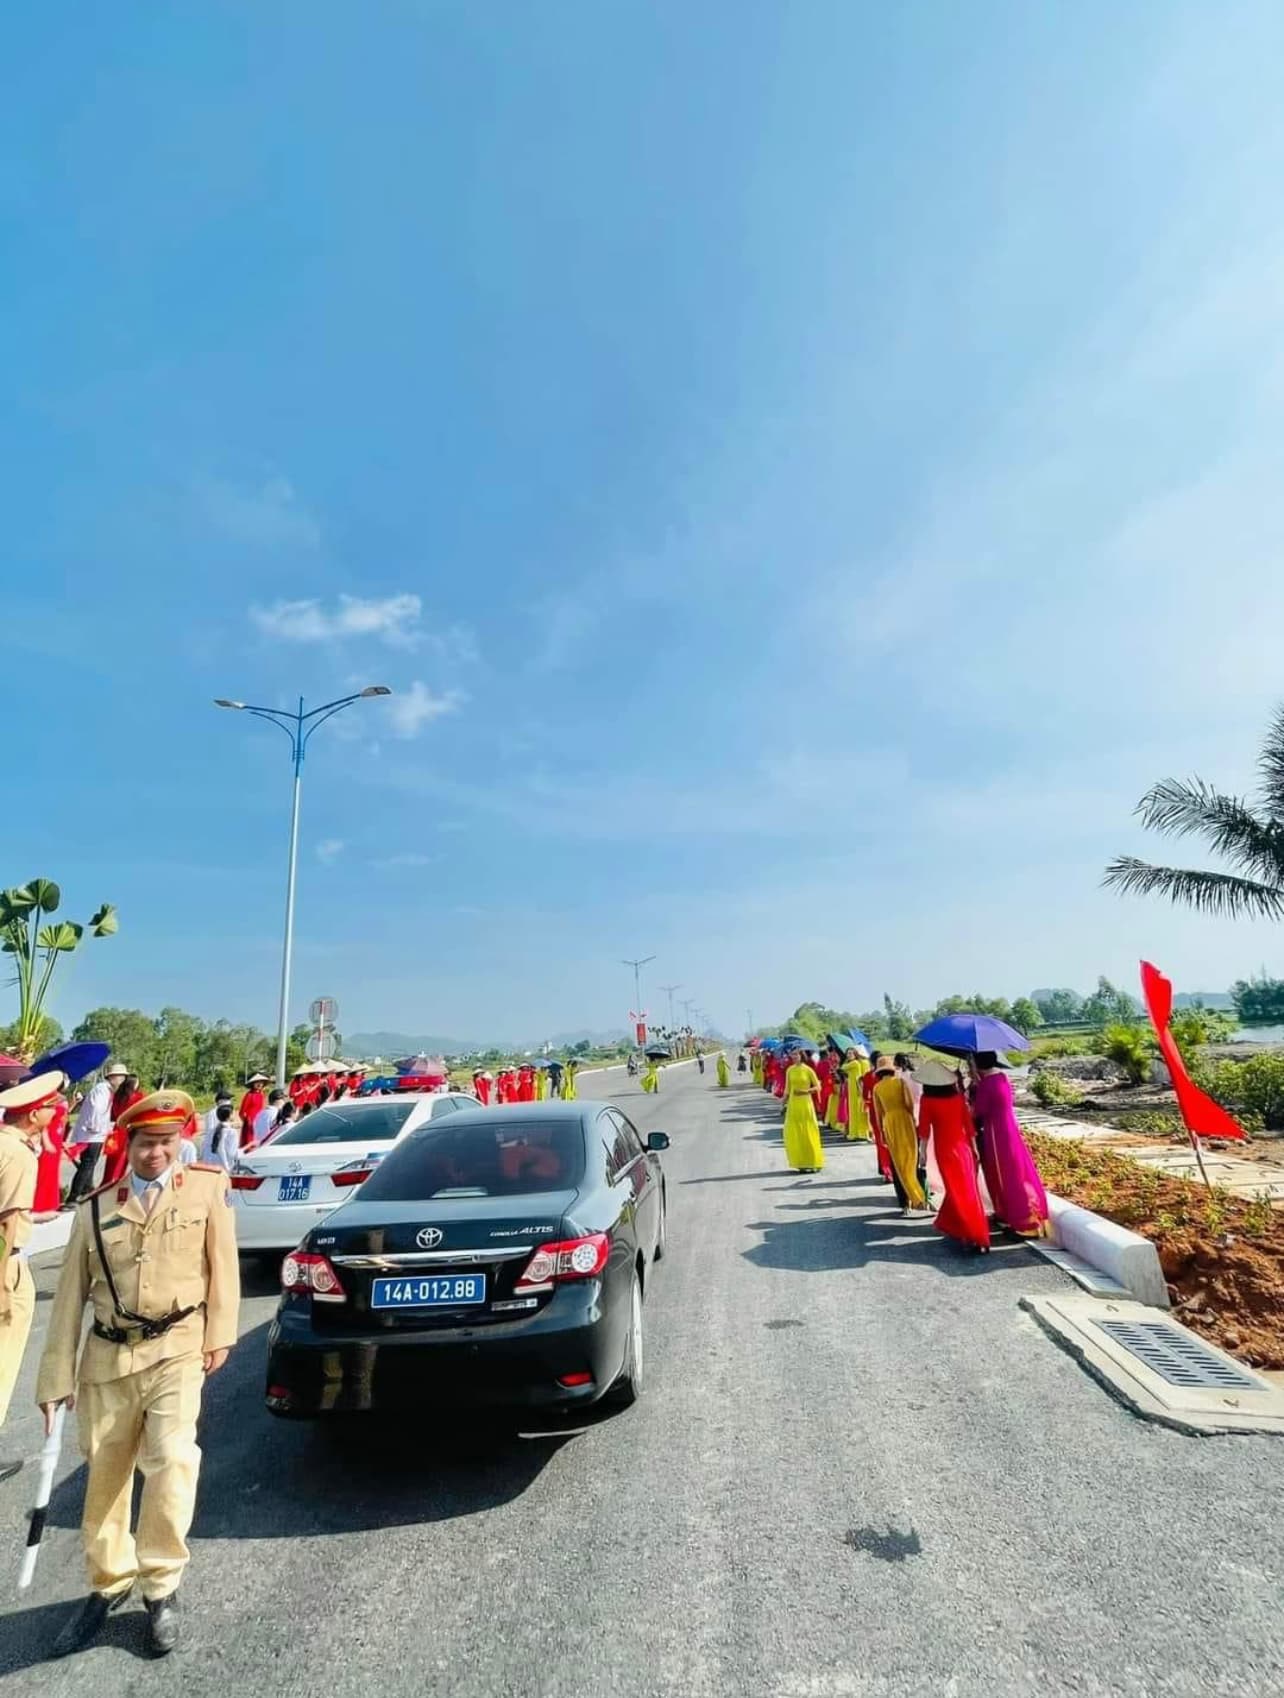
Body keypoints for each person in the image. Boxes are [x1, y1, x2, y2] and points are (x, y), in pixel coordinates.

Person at [37, 1089, 240, 1658]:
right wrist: (55, 1378)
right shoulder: (96, 1207)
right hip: (108, 1359)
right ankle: (108, 1581)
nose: (157, 1153)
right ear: (127, 1144)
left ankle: (160, 1584)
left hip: (178, 1348)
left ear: (181, 1141)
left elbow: (222, 1264)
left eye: (167, 1142)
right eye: (147, 1142)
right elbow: (69, 1298)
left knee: (172, 1459)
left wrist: (221, 1333)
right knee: (105, 1472)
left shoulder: (206, 1187)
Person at [0, 1072, 66, 1482]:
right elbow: (7, 1224)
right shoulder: (19, 1154)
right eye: (50, 1108)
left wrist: (32, 1217)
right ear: (33, 1114)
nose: (55, 1113)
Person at [970, 1053, 1049, 1237]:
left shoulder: (986, 1084)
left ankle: (1025, 1224)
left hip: (996, 1134)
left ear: (978, 1065)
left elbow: (979, 1111)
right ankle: (1011, 1215)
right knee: (1017, 1172)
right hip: (1009, 1129)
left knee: (1006, 1176)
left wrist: (969, 1096)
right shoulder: (1002, 1077)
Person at [917, 1062, 989, 1252]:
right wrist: (975, 1149)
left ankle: (972, 1233)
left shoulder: (927, 1100)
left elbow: (924, 1130)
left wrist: (922, 1153)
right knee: (967, 1189)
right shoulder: (958, 1098)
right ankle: (964, 1228)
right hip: (964, 1148)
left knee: (956, 1190)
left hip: (945, 1150)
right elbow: (969, 1127)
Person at [65, 1062, 127, 1207]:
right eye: (121, 1077)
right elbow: (96, 1111)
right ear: (112, 1077)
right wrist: (98, 1128)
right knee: (87, 1165)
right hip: (92, 1134)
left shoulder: (107, 1091)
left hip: (94, 1134)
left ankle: (87, 1191)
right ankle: (73, 1197)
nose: (122, 1081)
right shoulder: (102, 1090)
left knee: (89, 1165)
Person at [871, 1056, 926, 1213]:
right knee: (912, 1158)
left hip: (889, 1122)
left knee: (897, 1163)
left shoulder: (877, 1088)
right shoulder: (900, 1082)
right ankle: (920, 1197)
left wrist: (881, 1132)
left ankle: (904, 1203)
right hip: (905, 1119)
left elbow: (878, 1113)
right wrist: (912, 1117)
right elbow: (909, 1103)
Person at [782, 1050, 824, 1172]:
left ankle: (814, 1161)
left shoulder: (808, 1070)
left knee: (809, 1131)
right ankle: (800, 1162)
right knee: (794, 1132)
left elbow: (818, 1087)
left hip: (806, 1104)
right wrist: (783, 1103)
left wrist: (805, 1091)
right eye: (793, 1054)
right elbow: (787, 1089)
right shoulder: (790, 1070)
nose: (794, 1056)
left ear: (801, 1056)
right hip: (793, 1105)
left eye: (796, 1054)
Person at [102, 1074, 146, 1187]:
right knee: (121, 1161)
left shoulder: (117, 1096)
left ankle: (106, 1183)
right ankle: (115, 1183)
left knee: (111, 1161)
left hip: (116, 1130)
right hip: (128, 1131)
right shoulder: (138, 1096)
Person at [33, 1085, 70, 1217]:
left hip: (58, 1137)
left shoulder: (60, 1097)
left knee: (53, 1173)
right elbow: (42, 1122)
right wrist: (46, 1141)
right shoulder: (46, 1097)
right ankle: (39, 1206)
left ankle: (51, 1204)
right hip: (49, 1138)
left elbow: (63, 1119)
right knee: (44, 1173)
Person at [840, 1047, 871, 1141]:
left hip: (856, 1089)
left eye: (850, 1053)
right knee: (854, 1111)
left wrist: (846, 1061)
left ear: (855, 1054)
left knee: (856, 1111)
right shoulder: (856, 1063)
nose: (848, 1055)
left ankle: (857, 1133)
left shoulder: (854, 1063)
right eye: (848, 1053)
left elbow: (842, 1067)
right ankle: (856, 1133)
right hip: (852, 1088)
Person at [201, 1102, 238, 1169]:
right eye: (233, 1112)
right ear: (229, 1115)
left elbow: (204, 1147)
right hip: (225, 1166)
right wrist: (227, 1166)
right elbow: (231, 1153)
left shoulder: (212, 1130)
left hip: (210, 1164)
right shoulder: (231, 1132)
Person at [237, 1073, 269, 1150]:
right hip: (250, 1122)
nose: (259, 1084)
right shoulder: (249, 1095)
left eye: (261, 1082)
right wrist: (246, 1122)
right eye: (257, 1082)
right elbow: (241, 1112)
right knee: (249, 1143)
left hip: (260, 1121)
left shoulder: (262, 1094)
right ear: (252, 1084)